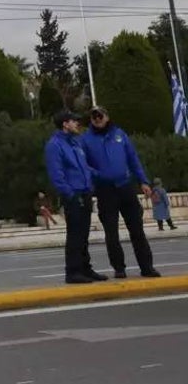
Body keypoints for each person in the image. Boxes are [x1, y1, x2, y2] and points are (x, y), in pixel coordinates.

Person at [81, 106, 160, 278]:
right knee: (111, 232)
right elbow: (83, 164)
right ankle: (119, 268)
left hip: (125, 187)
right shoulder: (85, 139)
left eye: (100, 115)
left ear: (107, 117)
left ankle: (147, 267)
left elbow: (133, 159)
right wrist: (98, 175)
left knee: (137, 229)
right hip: (105, 190)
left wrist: (143, 181)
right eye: (94, 117)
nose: (98, 119)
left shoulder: (119, 134)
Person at [45, 110, 106, 285]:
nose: (77, 124)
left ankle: (85, 268)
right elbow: (57, 175)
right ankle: (73, 271)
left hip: (85, 192)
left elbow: (85, 168)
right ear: (65, 124)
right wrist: (70, 194)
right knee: (75, 235)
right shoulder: (55, 145)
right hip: (73, 195)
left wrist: (103, 175)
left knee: (83, 234)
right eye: (74, 121)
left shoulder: (75, 144)